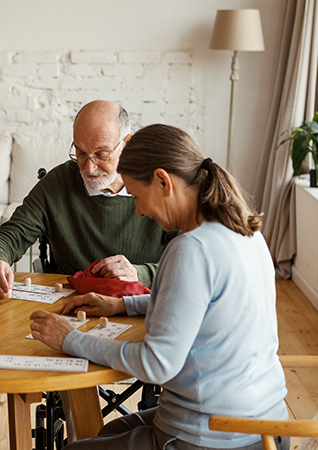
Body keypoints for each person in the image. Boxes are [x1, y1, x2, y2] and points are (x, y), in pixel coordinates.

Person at [29, 124, 289, 450]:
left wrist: (71, 339)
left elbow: (156, 364)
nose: (138, 211)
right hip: (264, 426)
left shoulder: (192, 249)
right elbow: (200, 308)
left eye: (137, 196)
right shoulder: (243, 230)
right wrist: (123, 304)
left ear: (163, 181)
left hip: (213, 437)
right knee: (103, 435)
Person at [0, 100, 175, 300]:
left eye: (101, 155)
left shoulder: (157, 184)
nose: (89, 168)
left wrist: (139, 274)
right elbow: (9, 236)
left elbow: (191, 262)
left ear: (126, 144)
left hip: (144, 303)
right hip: (70, 302)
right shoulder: (58, 183)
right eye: (81, 153)